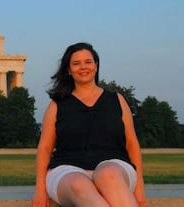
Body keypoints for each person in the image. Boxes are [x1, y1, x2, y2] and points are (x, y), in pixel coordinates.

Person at [32, 42, 147, 207]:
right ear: (69, 70)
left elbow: (132, 143)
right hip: (66, 169)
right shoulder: (57, 105)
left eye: (88, 62)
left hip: (115, 166)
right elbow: (44, 148)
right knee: (79, 185)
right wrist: (40, 190)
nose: (83, 67)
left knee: (108, 175)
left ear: (96, 65)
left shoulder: (117, 100)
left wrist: (140, 188)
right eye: (76, 63)